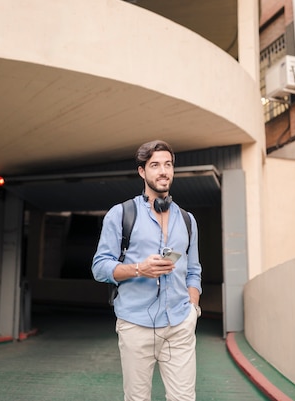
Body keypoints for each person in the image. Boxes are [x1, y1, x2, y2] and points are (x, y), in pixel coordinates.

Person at [92, 140, 202, 401]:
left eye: (168, 165)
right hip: (135, 325)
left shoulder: (187, 220)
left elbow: (194, 269)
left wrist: (192, 309)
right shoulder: (120, 214)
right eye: (155, 165)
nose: (163, 171)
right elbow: (100, 267)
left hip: (179, 324)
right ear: (142, 171)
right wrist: (139, 269)